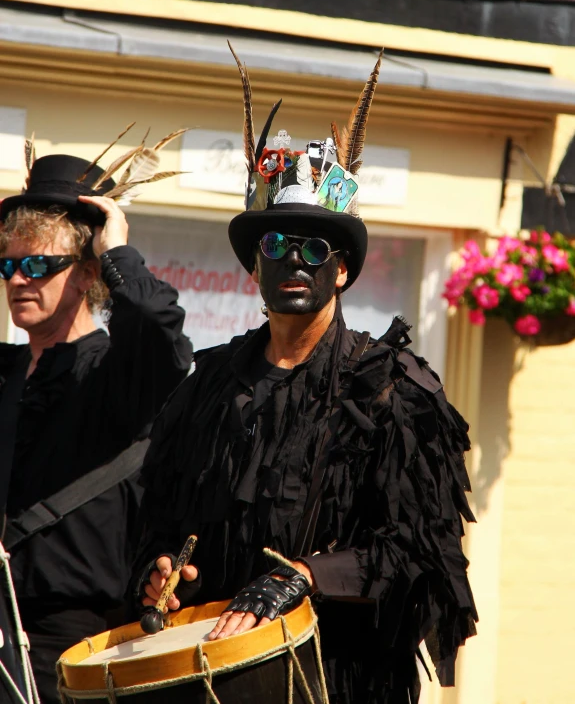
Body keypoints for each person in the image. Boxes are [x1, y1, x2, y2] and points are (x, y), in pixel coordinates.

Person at [132, 50, 477, 704]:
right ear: (252, 269)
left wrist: (308, 575)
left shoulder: (391, 390)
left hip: (338, 681)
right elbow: (160, 519)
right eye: (275, 245)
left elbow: (421, 552)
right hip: (214, 677)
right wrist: (160, 570)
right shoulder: (207, 386)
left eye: (314, 248)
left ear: (341, 271)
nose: (294, 259)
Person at [0, 139, 193, 703]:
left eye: (38, 265)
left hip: (82, 650)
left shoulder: (117, 374)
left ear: (85, 274)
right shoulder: (5, 369)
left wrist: (117, 251)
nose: (17, 280)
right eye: (8, 265)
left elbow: (159, 328)